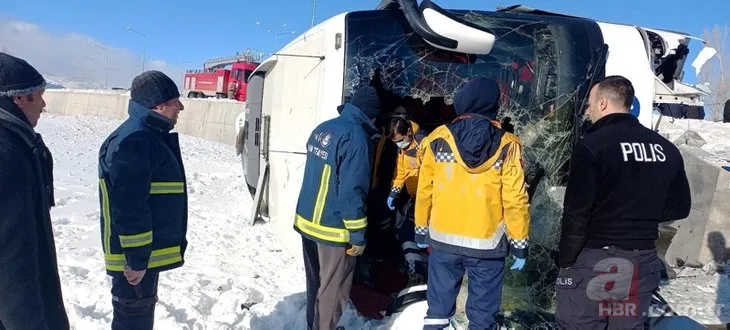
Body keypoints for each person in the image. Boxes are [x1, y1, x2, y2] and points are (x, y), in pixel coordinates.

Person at [556, 75, 691, 329]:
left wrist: (567, 262)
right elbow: (680, 206)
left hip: (596, 259)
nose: (589, 110)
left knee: (580, 323)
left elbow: (577, 213)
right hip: (642, 261)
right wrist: (642, 214)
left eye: (591, 104)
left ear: (604, 103)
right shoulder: (666, 149)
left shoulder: (592, 146)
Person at [415, 77, 530, 329]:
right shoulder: (507, 145)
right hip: (487, 247)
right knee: (481, 318)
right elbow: (515, 199)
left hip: (443, 243)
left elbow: (425, 191)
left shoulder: (437, 139)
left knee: (437, 312)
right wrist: (519, 243)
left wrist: (421, 230)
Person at [98, 70, 188, 330]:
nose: (180, 106)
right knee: (134, 321)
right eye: (175, 101)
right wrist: (137, 259)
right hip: (134, 263)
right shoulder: (137, 140)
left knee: (137, 317)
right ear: (158, 104)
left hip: (140, 258)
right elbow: (129, 205)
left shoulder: (146, 136)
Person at [294, 86, 382, 330]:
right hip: (333, 229)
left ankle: (315, 326)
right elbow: (352, 191)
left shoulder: (324, 128)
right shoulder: (357, 137)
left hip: (308, 223)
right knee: (334, 291)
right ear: (371, 114)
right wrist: (357, 235)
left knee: (316, 284)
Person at [0, 53, 70, 329]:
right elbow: (11, 258)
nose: (43, 104)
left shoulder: (17, 144)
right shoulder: (8, 154)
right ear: (18, 98)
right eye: (38, 95)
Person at [384, 113, 428, 284]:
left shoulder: (425, 144)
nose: (398, 145)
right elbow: (401, 172)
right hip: (415, 196)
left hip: (429, 198)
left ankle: (420, 273)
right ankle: (415, 272)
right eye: (395, 142)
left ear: (409, 132)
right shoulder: (403, 148)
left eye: (400, 140)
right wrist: (394, 192)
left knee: (418, 235)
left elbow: (431, 173)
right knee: (406, 233)